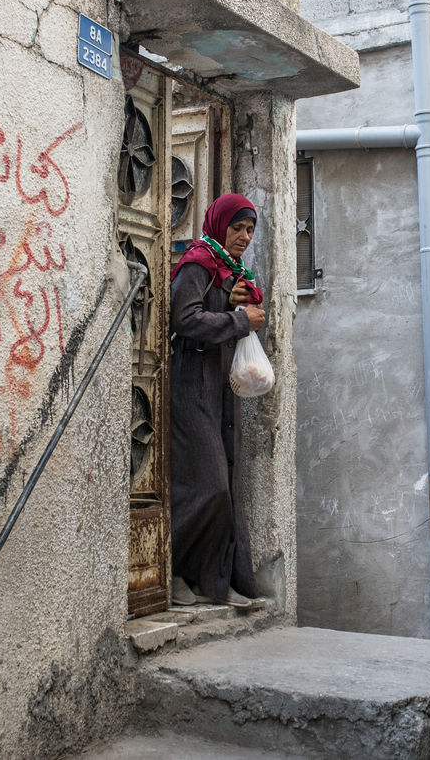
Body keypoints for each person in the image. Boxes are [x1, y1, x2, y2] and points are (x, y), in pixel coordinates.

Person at [167, 193, 267, 610]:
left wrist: (237, 305)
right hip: (190, 385)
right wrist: (239, 319)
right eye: (237, 227)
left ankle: (213, 581)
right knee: (209, 486)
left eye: (250, 230)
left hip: (220, 388)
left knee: (225, 486)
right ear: (219, 224)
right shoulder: (198, 264)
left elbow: (223, 315)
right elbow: (184, 318)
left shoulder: (230, 270)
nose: (244, 236)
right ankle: (169, 571)